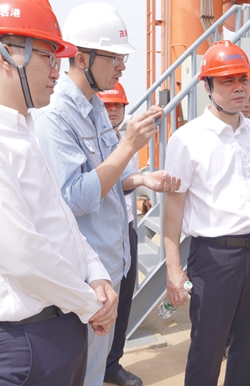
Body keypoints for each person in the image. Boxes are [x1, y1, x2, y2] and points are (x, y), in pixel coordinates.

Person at [0, 0, 118, 386]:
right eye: (49, 56)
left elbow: (61, 220)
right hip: (26, 341)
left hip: (63, 323)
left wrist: (96, 273)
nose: (57, 71)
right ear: (5, 55)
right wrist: (90, 303)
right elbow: (21, 255)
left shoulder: (21, 129)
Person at [34, 2, 179, 386]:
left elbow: (111, 175)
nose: (121, 67)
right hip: (86, 273)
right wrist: (128, 145)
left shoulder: (95, 106)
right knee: (81, 372)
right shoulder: (55, 116)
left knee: (95, 367)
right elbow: (73, 198)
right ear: (82, 58)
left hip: (111, 260)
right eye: (114, 57)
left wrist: (142, 177)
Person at [162, 40, 250, 385]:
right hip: (214, 258)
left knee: (248, 347)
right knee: (208, 349)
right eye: (227, 80)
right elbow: (174, 207)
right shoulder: (187, 139)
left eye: (243, 78)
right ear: (208, 86)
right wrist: (173, 268)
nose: (238, 87)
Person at [96, 82, 140, 384]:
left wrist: (143, 179)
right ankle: (89, 368)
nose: (112, 111)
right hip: (97, 234)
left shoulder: (126, 141)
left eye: (117, 106)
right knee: (97, 302)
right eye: (106, 106)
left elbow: (126, 180)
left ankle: (112, 364)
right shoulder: (85, 140)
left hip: (126, 229)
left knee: (123, 300)